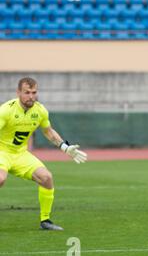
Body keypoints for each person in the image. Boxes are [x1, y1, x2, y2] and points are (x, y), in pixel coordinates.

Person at [0, 77, 88, 230]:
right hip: (2, 152)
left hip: (21, 154)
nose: (31, 96)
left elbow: (48, 131)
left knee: (46, 178)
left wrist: (65, 147)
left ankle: (45, 221)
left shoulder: (40, 110)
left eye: (34, 92)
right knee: (0, 179)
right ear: (18, 92)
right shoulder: (6, 110)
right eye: (27, 92)